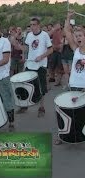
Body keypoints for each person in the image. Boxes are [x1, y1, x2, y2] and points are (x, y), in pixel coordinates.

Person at [55, 11, 85, 145]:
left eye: (80, 36)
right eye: (76, 35)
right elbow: (67, 31)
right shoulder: (76, 49)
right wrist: (68, 17)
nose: (77, 38)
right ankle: (64, 135)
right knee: (68, 111)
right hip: (73, 85)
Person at [17, 18, 53, 117]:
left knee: (41, 87)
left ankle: (41, 108)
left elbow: (51, 50)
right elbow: (27, 48)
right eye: (31, 25)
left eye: (33, 24)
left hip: (41, 65)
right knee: (26, 85)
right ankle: (25, 105)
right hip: (30, 64)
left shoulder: (44, 35)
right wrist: (22, 51)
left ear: (38, 25)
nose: (31, 27)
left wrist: (41, 56)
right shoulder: (29, 35)